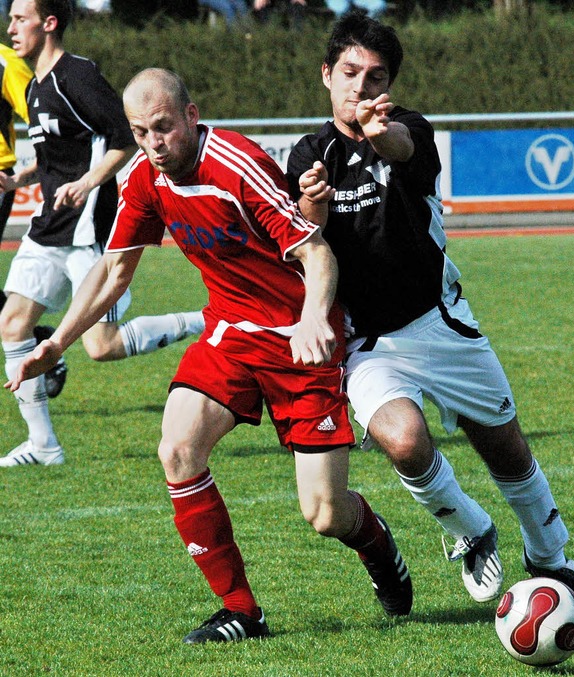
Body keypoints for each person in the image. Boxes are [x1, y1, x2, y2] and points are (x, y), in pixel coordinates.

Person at [6, 67, 414, 642]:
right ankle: (242, 611)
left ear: (191, 117)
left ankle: (375, 542)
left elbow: (317, 254)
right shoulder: (146, 179)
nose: (152, 143)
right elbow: (115, 270)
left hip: (301, 342)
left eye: (163, 128)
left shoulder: (237, 165)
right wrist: (54, 343)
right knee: (176, 448)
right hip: (230, 337)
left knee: (325, 513)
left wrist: (311, 319)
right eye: (139, 131)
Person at [287, 10, 574, 613]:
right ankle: (469, 527)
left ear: (389, 86)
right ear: (327, 75)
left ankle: (551, 555)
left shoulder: (410, 128)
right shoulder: (307, 153)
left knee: (504, 446)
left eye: (375, 77)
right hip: (368, 340)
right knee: (404, 443)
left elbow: (402, 148)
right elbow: (307, 247)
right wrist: (310, 205)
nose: (361, 87)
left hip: (438, 319)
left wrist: (382, 136)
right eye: (349, 73)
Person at [0, 0, 204, 468]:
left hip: (90, 225)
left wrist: (89, 182)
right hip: (51, 224)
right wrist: (21, 180)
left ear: (49, 24)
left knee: (101, 346)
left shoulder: (78, 76)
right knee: (12, 323)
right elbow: (57, 159)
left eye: (19, 18)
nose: (11, 26)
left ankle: (202, 322)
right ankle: (43, 446)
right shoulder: (34, 87)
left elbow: (124, 136)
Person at [0, 41, 69, 399]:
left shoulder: (4, 61)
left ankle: (29, 335)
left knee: (104, 342)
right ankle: (35, 335)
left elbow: (41, 120)